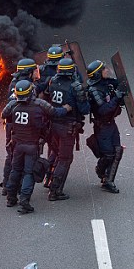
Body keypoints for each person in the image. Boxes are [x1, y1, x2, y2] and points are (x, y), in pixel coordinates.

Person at [1, 80, 69, 213]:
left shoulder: (14, 105)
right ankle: (24, 202)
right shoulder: (39, 105)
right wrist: (66, 109)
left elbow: (4, 114)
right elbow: (54, 113)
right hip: (32, 145)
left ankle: (11, 198)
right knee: (29, 173)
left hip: (17, 145)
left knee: (15, 170)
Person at [43, 58, 90, 201]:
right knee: (65, 158)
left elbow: (47, 98)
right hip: (67, 127)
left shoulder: (52, 82)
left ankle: (48, 179)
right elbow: (84, 109)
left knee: (56, 154)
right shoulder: (75, 86)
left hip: (53, 126)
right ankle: (55, 191)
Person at [0, 58, 40, 196]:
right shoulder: (27, 87)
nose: (36, 72)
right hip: (20, 126)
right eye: (35, 70)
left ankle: (7, 185)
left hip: (11, 125)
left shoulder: (14, 84)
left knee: (11, 155)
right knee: (19, 159)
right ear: (29, 72)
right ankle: (17, 187)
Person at [87, 60, 125, 193]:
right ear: (98, 74)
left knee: (118, 151)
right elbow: (103, 109)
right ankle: (100, 170)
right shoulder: (94, 90)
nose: (106, 71)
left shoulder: (106, 83)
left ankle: (109, 181)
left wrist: (121, 91)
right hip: (102, 127)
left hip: (111, 124)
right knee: (108, 155)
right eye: (103, 70)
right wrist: (116, 98)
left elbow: (117, 84)